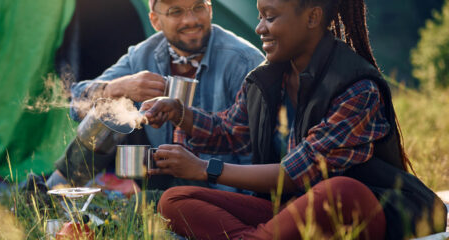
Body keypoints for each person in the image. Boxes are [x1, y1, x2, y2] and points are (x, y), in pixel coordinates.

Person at [141, 0, 448, 238]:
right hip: (289, 209)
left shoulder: (356, 88)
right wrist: (181, 114)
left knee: (339, 189)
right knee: (174, 201)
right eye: (259, 16)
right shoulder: (264, 80)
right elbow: (230, 131)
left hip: (363, 209)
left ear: (312, 17)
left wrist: (205, 169)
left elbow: (297, 173)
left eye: (270, 17)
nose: (260, 28)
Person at [46, 0, 265, 192]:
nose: (190, 20)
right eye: (176, 11)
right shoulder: (144, 54)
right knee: (110, 107)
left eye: (198, 7)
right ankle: (55, 189)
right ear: (155, 21)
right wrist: (119, 87)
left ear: (210, 10)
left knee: (147, 211)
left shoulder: (243, 62)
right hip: (158, 173)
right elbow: (77, 104)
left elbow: (256, 151)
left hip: (217, 183)